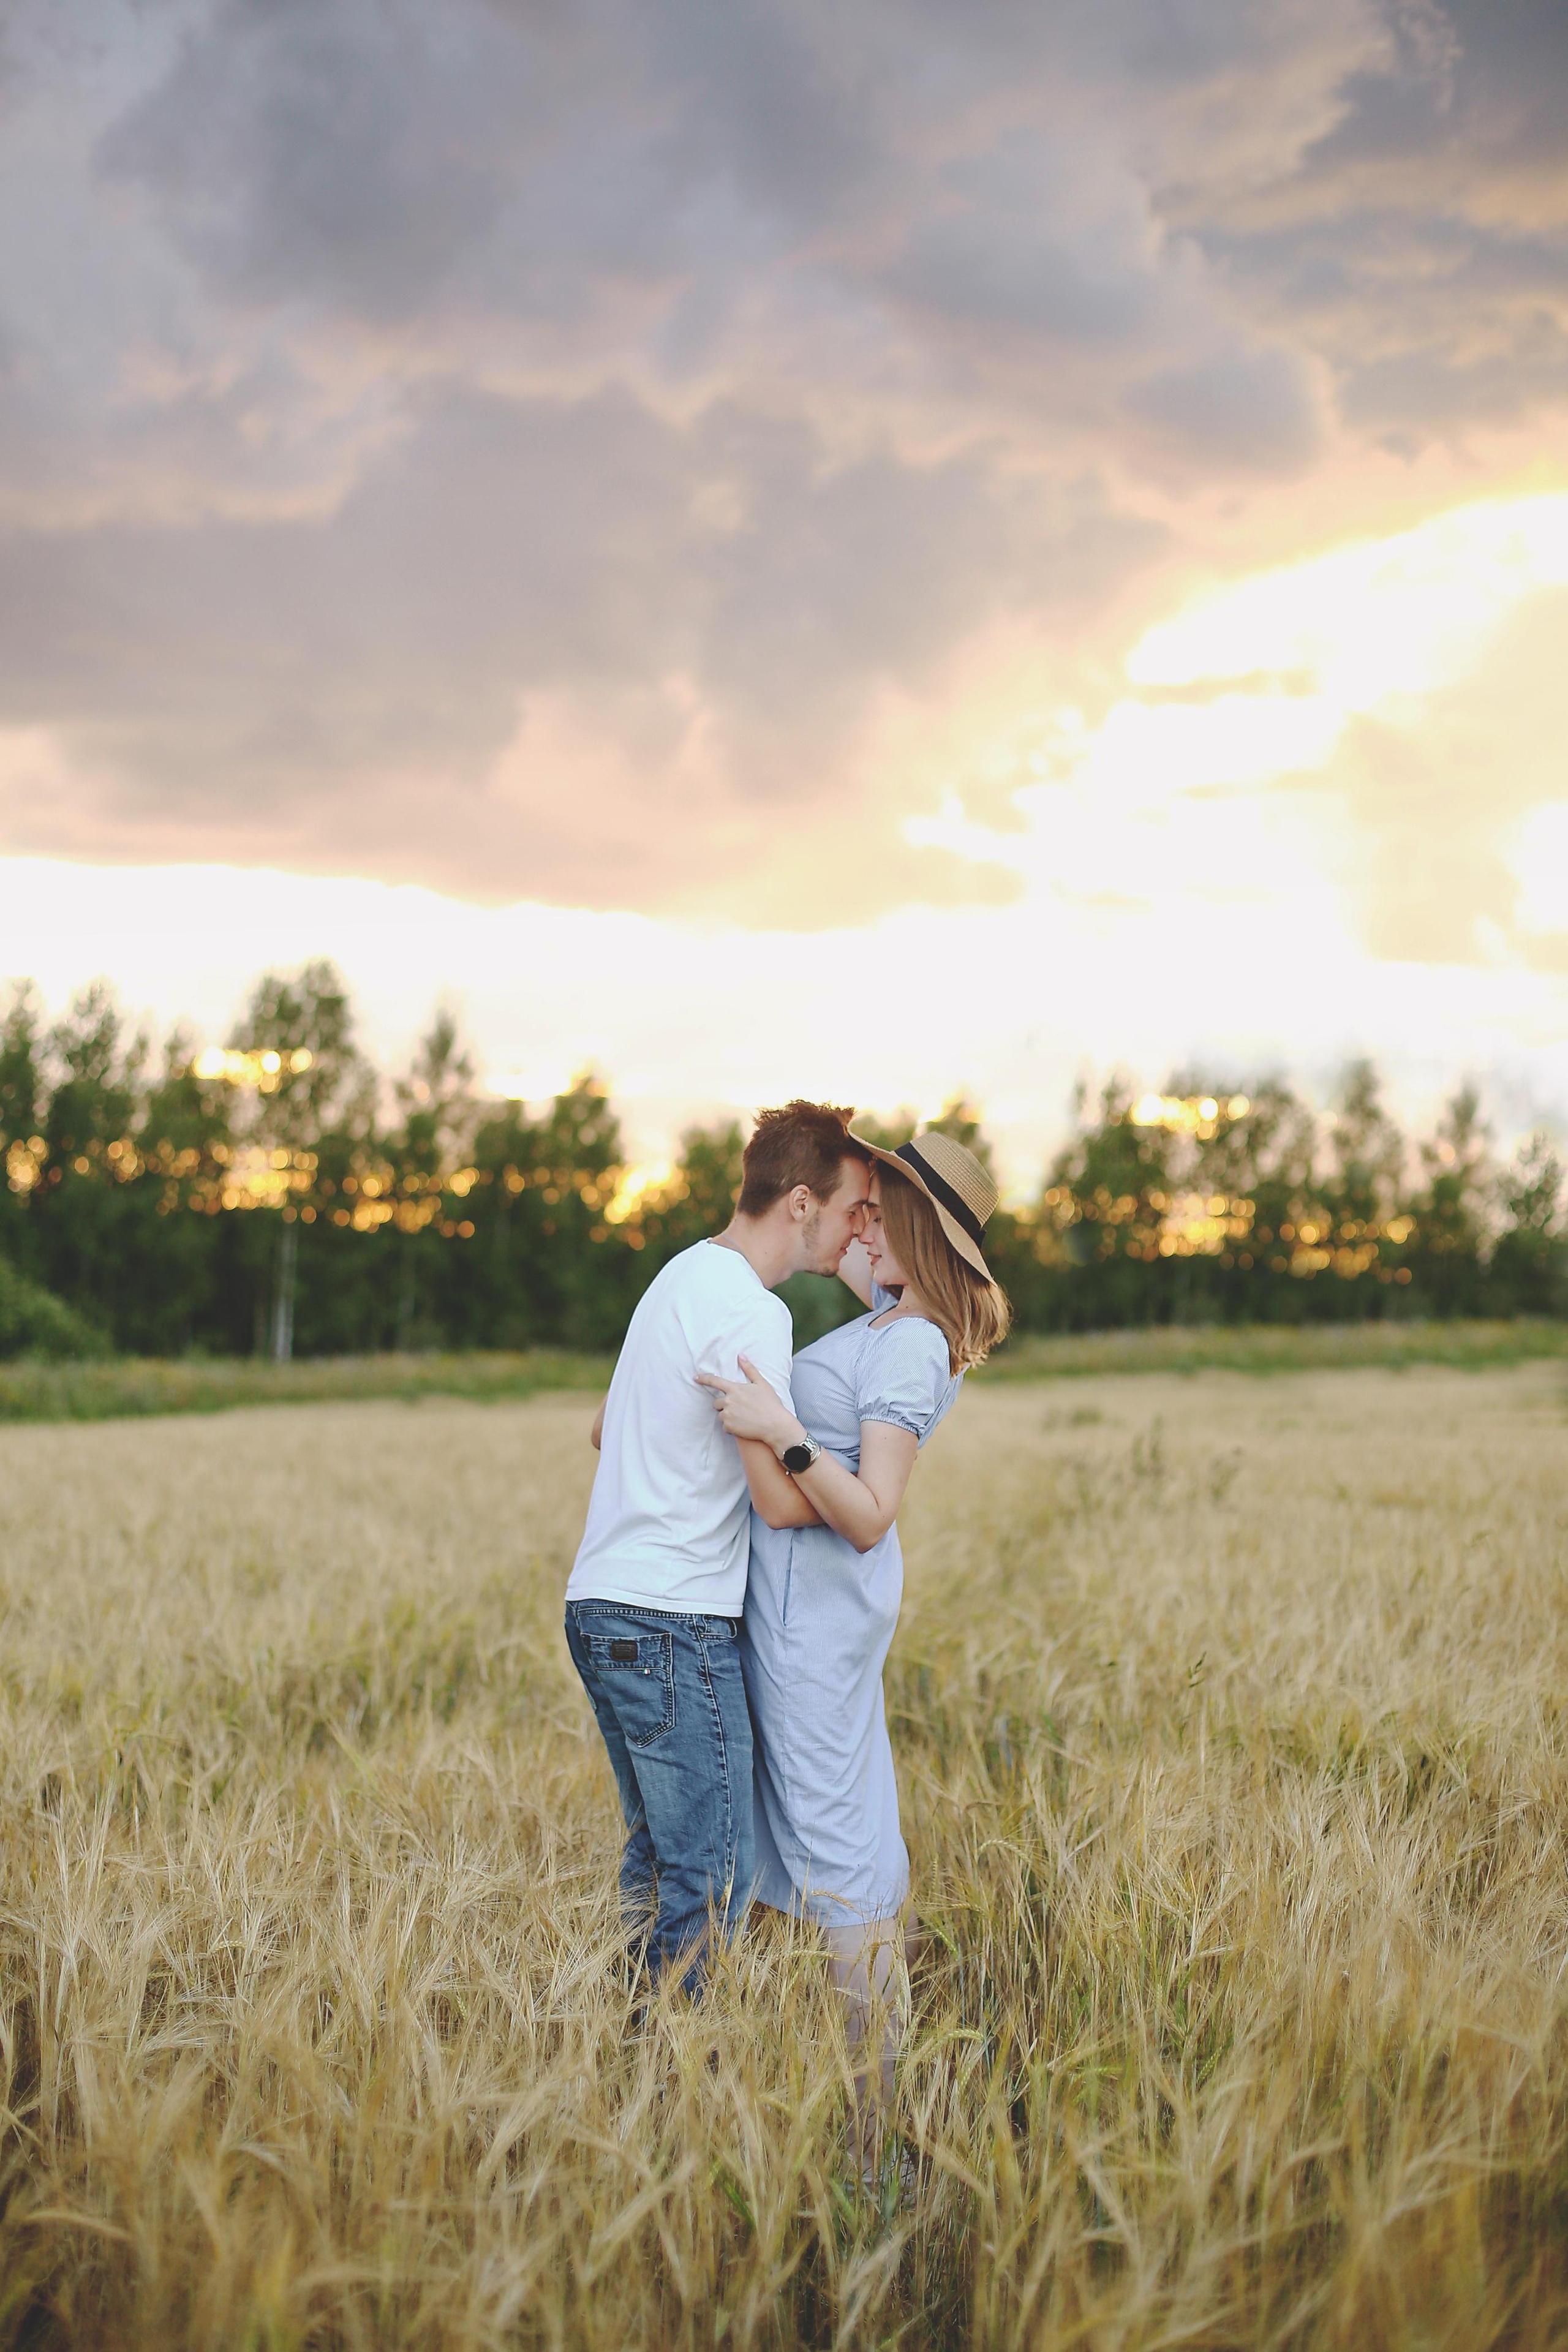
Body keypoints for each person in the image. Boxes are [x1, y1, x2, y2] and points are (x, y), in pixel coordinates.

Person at [698, 1129, 1010, 2172]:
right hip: (815, 1617)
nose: (861, 1218)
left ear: (916, 1229)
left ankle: (878, 2138)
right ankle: (892, 2107)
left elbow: (870, 1513)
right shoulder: (890, 1325)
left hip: (811, 1623)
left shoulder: (913, 1343)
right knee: (857, 1849)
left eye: (880, 1210)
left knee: (840, 1860)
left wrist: (773, 1428)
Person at [564, 1102, 872, 1996]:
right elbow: (779, 1506)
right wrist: (842, 1489)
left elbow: (602, 1429)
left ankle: (626, 2078)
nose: (860, 1230)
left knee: (662, 1868)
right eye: (854, 1208)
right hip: (671, 1621)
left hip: (601, 1604)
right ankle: (670, 2104)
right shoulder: (752, 1312)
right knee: (713, 1881)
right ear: (804, 1202)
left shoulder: (681, 1275)